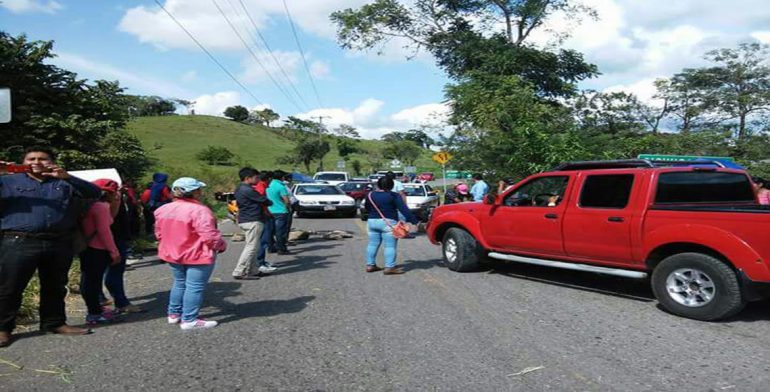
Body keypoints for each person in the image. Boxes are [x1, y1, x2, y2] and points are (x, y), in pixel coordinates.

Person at [0, 146, 99, 347]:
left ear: (52, 162)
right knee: (10, 286)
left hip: (58, 241)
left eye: (42, 158)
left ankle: (54, 323)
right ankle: (3, 328)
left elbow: (95, 192)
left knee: (55, 285)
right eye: (31, 159)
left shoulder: (63, 183)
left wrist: (68, 177)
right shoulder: (8, 181)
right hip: (19, 241)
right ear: (23, 162)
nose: (36, 162)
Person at [154, 177, 226, 330]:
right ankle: (189, 319)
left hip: (172, 253)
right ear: (194, 192)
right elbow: (209, 235)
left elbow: (159, 233)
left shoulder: (163, 209)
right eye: (198, 189)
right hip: (197, 254)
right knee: (194, 287)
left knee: (179, 282)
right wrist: (220, 245)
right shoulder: (200, 210)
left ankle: (174, 314)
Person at [79, 179, 123, 325]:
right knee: (93, 282)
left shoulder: (87, 205)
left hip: (86, 247)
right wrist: (114, 251)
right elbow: (105, 231)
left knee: (88, 280)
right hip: (98, 248)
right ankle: (94, 313)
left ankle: (95, 309)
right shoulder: (101, 207)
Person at [100, 180, 144, 314]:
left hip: (111, 239)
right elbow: (109, 220)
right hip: (112, 239)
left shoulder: (95, 204)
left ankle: (100, 301)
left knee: (100, 272)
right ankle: (121, 303)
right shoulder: (103, 206)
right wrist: (117, 201)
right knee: (114, 271)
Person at [364, 176, 419, 275]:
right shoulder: (393, 195)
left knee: (372, 244)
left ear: (378, 184)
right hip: (388, 222)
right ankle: (389, 267)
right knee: (390, 246)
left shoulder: (370, 194)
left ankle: (370, 265)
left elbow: (367, 208)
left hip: (372, 221)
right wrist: (414, 221)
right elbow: (404, 209)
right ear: (391, 185)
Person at [232, 168, 271, 280]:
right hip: (252, 220)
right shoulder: (248, 190)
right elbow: (265, 201)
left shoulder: (240, 188)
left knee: (255, 247)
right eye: (256, 177)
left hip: (246, 219)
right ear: (247, 178)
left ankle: (253, 270)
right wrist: (267, 201)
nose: (258, 180)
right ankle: (239, 271)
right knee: (251, 247)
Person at [254, 171, 278, 274]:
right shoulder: (261, 187)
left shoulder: (261, 186)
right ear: (268, 179)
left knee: (264, 239)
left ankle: (262, 261)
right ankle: (260, 263)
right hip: (262, 216)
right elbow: (261, 203)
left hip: (264, 215)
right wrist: (267, 212)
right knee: (263, 240)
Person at [267, 170, 291, 255]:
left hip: (269, 210)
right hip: (281, 211)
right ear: (282, 177)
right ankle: (281, 249)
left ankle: (270, 247)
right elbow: (286, 200)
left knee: (270, 231)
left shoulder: (268, 185)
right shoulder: (281, 186)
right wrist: (288, 207)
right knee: (280, 231)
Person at [141, 172, 172, 239]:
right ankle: (160, 234)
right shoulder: (163, 186)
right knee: (160, 220)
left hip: (150, 205)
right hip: (161, 205)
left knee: (150, 220)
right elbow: (168, 196)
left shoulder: (152, 185)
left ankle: (149, 233)